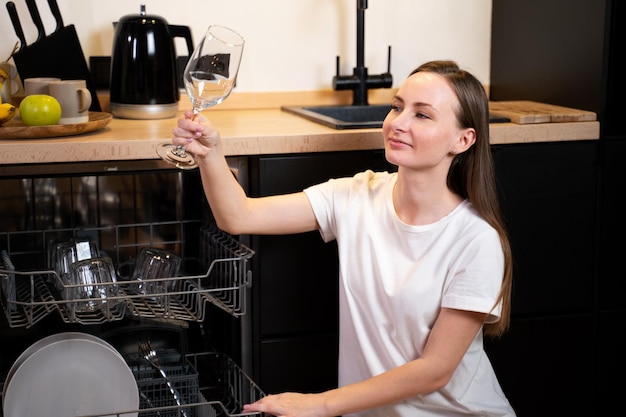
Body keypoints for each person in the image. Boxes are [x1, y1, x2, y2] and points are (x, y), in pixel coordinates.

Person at [171, 60, 515, 417]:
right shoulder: (356, 195)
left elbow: (435, 370)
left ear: (463, 140)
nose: (397, 123)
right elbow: (239, 215)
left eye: (422, 115)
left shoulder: (476, 240)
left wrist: (319, 404)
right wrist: (210, 153)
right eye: (397, 107)